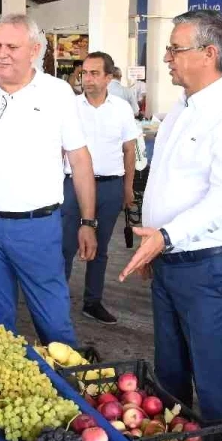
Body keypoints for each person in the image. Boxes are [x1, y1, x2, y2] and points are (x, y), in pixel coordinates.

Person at [119, 9, 222, 424]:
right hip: (169, 260)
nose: (166, 57)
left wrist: (163, 236)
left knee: (212, 376)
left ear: (208, 53)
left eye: (174, 49)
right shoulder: (180, 110)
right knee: (169, 373)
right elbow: (166, 181)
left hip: (209, 267)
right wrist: (157, 246)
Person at [0, 13, 98, 346]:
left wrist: (88, 221)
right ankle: (3, 385)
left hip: (37, 226)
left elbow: (80, 160)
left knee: (53, 320)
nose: (1, 53)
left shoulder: (57, 94)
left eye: (12, 46)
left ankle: (65, 385)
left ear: (34, 50)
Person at [60, 52, 139, 325]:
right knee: (66, 246)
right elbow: (58, 148)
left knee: (100, 247)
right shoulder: (69, 107)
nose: (87, 79)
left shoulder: (121, 109)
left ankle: (92, 302)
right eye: (84, 73)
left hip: (109, 187)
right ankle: (56, 302)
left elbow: (129, 149)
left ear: (109, 77)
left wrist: (127, 188)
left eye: (94, 73)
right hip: (73, 187)